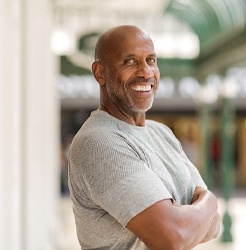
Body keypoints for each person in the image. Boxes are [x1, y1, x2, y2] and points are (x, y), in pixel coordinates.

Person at [68, 25, 220, 250]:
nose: (145, 72)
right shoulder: (99, 142)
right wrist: (210, 202)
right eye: (130, 61)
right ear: (100, 72)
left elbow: (214, 225)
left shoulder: (162, 133)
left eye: (150, 60)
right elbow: (173, 237)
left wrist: (191, 217)